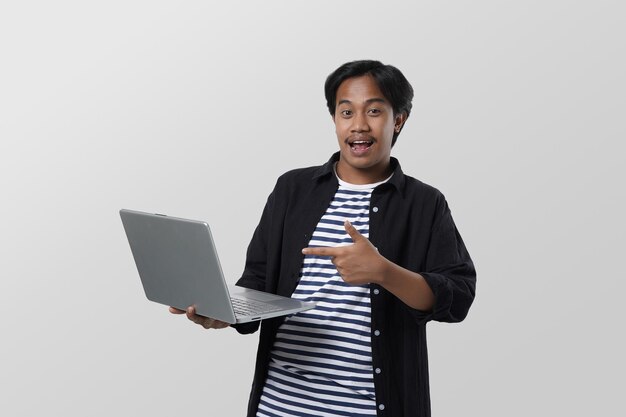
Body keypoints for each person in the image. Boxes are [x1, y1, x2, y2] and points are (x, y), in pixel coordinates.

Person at [170, 60, 476, 417]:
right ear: (334, 119)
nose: (359, 125)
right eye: (346, 112)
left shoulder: (424, 203)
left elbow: (458, 298)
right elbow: (257, 280)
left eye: (374, 111)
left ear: (398, 120)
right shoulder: (292, 189)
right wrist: (223, 313)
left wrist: (383, 272)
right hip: (278, 405)